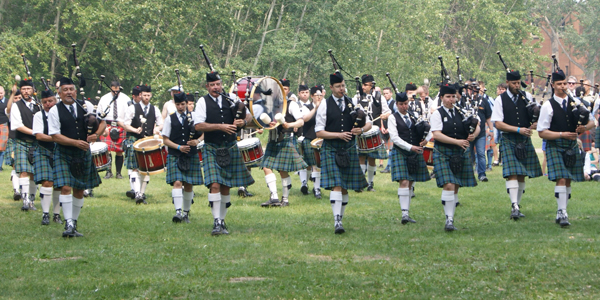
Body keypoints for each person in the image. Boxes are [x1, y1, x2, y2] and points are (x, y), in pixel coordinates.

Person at [194, 71, 255, 236]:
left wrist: (244, 121)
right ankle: (216, 222)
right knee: (215, 184)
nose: (216, 87)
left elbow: (248, 115)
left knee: (226, 185)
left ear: (222, 84)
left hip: (229, 146)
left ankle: (222, 220)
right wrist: (220, 127)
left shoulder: (232, 98)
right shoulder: (202, 102)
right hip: (211, 147)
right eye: (212, 85)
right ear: (207, 86)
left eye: (218, 84)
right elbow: (198, 126)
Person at [48, 77, 106, 237]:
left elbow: (103, 123)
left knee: (79, 190)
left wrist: (96, 135)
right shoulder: (54, 110)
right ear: (59, 93)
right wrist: (75, 142)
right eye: (65, 90)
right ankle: (68, 223)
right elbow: (54, 136)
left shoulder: (85, 106)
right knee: (66, 187)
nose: (69, 92)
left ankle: (73, 222)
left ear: (75, 91)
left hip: (82, 153)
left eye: (71, 89)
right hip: (64, 152)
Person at [537, 69, 594, 227]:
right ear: (553, 85)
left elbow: (592, 121)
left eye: (564, 84)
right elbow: (542, 132)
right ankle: (562, 212)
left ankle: (562, 210)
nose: (563, 87)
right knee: (561, 177)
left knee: (568, 179)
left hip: (571, 145)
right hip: (555, 145)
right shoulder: (548, 105)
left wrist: (584, 128)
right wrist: (561, 134)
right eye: (559, 84)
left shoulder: (575, 102)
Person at [315, 71, 371, 234]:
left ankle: (340, 217)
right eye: (338, 86)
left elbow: (367, 124)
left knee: (345, 186)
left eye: (343, 86)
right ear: (331, 87)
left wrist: (360, 129)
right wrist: (338, 135)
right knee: (337, 184)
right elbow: (319, 132)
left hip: (348, 149)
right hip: (331, 149)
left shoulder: (352, 102)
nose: (342, 89)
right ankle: (337, 221)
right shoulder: (324, 105)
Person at [491, 70, 543, 219]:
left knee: (521, 174)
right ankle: (514, 205)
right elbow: (498, 124)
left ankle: (517, 206)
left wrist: (534, 123)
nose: (517, 85)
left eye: (518, 83)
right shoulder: (500, 100)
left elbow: (533, 116)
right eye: (514, 83)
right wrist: (518, 129)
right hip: (509, 139)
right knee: (512, 173)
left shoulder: (526, 97)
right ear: (507, 83)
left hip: (524, 140)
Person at [430, 83, 480, 231]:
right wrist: (457, 141)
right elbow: (436, 134)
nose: (451, 99)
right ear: (441, 98)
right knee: (449, 184)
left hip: (460, 153)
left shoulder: (462, 112)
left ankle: (450, 216)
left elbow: (477, 125)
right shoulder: (437, 114)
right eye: (448, 97)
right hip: (443, 152)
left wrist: (473, 135)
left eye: (453, 96)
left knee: (455, 185)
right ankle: (449, 220)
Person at [259, 82, 307, 207]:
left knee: (282, 170)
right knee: (266, 166)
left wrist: (289, 125)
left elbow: (301, 121)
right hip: (272, 139)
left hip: (285, 139)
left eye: (283, 89)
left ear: (287, 90)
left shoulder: (292, 104)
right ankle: (274, 197)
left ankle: (285, 199)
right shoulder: (270, 105)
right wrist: (264, 126)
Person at [387, 92, 430, 224]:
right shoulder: (392, 118)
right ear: (396, 104)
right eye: (401, 104)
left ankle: (407, 212)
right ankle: (404, 214)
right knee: (404, 181)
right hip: (401, 151)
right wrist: (410, 147)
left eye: (405, 104)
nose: (404, 107)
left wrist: (425, 141)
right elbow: (394, 138)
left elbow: (428, 130)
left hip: (415, 152)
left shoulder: (414, 115)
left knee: (410, 182)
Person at [162, 91, 203, 223]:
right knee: (178, 182)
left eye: (183, 104)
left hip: (191, 154)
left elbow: (204, 133)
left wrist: (197, 141)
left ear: (186, 103)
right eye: (178, 104)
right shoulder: (170, 119)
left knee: (189, 184)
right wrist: (178, 147)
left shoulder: (195, 117)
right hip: (175, 154)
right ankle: (178, 212)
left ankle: (186, 213)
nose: (180, 107)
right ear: (174, 104)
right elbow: (165, 140)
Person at [123, 84, 163, 204]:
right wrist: (135, 130)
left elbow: (161, 123)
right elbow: (126, 124)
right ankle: (137, 194)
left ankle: (141, 194)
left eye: (148, 95)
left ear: (151, 95)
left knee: (146, 169)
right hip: (134, 139)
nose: (146, 97)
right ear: (140, 95)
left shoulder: (154, 109)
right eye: (144, 95)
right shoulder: (132, 108)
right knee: (135, 168)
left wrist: (157, 129)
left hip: (148, 141)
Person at [352, 74, 391, 192]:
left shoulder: (379, 97)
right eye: (362, 85)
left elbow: (388, 111)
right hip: (361, 131)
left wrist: (385, 115)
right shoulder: (357, 97)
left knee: (372, 158)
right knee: (361, 157)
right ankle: (360, 183)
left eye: (365, 85)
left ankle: (370, 184)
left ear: (371, 85)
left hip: (374, 130)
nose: (363, 87)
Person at [32, 87, 63, 225]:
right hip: (43, 150)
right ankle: (45, 214)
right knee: (47, 182)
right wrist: (58, 138)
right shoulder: (38, 116)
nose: (48, 104)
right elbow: (39, 135)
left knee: (59, 185)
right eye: (45, 102)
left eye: (50, 101)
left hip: (60, 151)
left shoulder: (62, 114)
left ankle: (56, 215)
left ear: (55, 100)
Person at [10, 79, 40, 211]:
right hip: (22, 142)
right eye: (23, 89)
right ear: (20, 91)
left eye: (28, 89)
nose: (26, 91)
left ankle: (32, 200)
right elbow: (17, 126)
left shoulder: (38, 105)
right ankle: (25, 200)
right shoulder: (16, 106)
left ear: (33, 90)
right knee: (23, 171)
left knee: (34, 173)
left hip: (37, 143)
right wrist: (36, 132)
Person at [96, 81, 131, 179]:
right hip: (108, 125)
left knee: (119, 151)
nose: (116, 92)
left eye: (118, 90)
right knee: (107, 150)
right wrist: (102, 127)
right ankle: (109, 172)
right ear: (110, 88)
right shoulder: (104, 98)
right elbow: (99, 113)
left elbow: (131, 112)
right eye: (114, 90)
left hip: (121, 126)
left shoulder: (126, 98)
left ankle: (119, 173)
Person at [298, 86, 323, 199]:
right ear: (312, 96)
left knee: (317, 165)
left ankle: (316, 188)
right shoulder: (306, 107)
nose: (319, 97)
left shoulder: (326, 107)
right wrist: (316, 108)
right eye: (317, 95)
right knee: (309, 164)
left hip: (322, 139)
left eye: (321, 95)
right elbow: (305, 119)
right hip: (309, 138)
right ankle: (306, 184)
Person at [468, 82, 493, 182]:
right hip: (468, 134)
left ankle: (482, 174)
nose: (473, 91)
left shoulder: (484, 101)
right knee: (469, 154)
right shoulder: (465, 101)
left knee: (481, 153)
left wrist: (491, 130)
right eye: (471, 89)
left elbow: (488, 117)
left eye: (475, 89)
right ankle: (469, 174)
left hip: (481, 133)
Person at [124, 85, 142, 199]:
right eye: (139, 96)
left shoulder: (148, 108)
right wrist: (134, 130)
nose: (141, 98)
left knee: (140, 167)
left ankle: (136, 190)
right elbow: (123, 123)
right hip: (132, 137)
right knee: (133, 166)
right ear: (133, 96)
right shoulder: (129, 107)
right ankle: (135, 191)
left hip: (143, 138)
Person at [5, 86, 21, 200]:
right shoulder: (11, 109)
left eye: (19, 97)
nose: (18, 99)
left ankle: (26, 192)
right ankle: (16, 190)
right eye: (16, 98)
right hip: (14, 139)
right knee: (15, 165)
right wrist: (12, 94)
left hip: (27, 140)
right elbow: (8, 108)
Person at [380, 87, 396, 173]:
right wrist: (382, 127)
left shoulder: (394, 104)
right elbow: (381, 116)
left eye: (387, 93)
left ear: (391, 93)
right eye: (384, 93)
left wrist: (389, 129)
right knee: (384, 147)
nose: (385, 95)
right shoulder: (383, 103)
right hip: (384, 128)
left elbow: (395, 117)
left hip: (392, 129)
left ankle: (388, 167)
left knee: (391, 148)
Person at [0, 86, 8, 169]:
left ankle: (0, 166)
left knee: (2, 147)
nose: (0, 95)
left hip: (4, 125)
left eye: (1, 93)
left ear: (4, 93)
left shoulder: (8, 102)